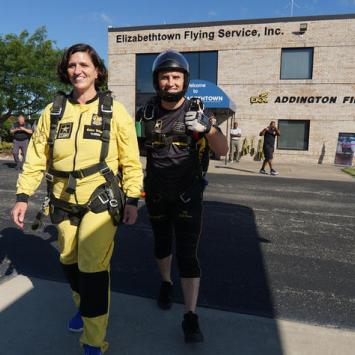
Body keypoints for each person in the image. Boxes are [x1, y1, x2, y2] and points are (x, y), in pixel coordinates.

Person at [11, 43, 143, 355]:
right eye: (72, 65)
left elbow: (131, 162)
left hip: (101, 200)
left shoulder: (114, 111)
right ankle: (84, 307)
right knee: (68, 259)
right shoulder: (52, 110)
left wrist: (133, 199)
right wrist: (22, 197)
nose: (77, 71)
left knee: (92, 265)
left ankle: (94, 341)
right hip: (60, 203)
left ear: (98, 71)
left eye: (84, 65)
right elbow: (35, 159)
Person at [140, 50, 228, 343]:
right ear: (157, 81)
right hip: (155, 193)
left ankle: (190, 316)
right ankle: (166, 283)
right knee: (162, 245)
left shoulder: (199, 110)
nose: (170, 82)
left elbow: (223, 150)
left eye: (176, 76)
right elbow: (128, 148)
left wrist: (210, 127)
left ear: (184, 80)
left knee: (188, 255)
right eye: (165, 77)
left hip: (189, 195)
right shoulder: (146, 113)